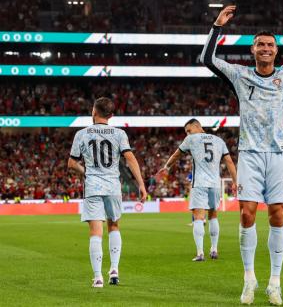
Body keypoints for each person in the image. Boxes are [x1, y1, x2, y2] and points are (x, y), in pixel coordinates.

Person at [200, 5, 283, 305]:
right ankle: (248, 280)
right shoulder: (239, 75)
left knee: (278, 215)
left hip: (278, 155)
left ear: (277, 51)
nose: (266, 48)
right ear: (253, 50)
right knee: (246, 214)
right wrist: (217, 26)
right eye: (261, 44)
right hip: (249, 155)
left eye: (270, 45)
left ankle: (274, 282)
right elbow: (206, 59)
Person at [68, 97, 147, 288]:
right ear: (111, 115)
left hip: (93, 185)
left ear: (93, 111)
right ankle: (114, 270)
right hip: (112, 185)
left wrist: (85, 171)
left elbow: (71, 164)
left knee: (96, 231)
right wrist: (141, 185)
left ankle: (97, 277)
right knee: (114, 226)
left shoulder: (81, 134)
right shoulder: (119, 134)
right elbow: (131, 159)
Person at [156, 119, 237, 261]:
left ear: (197, 126)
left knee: (198, 217)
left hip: (199, 183)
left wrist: (166, 167)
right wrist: (235, 181)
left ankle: (200, 253)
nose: (187, 133)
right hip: (215, 184)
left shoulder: (191, 139)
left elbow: (176, 154)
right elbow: (229, 161)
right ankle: (214, 249)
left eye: (188, 130)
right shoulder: (219, 140)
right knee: (213, 215)